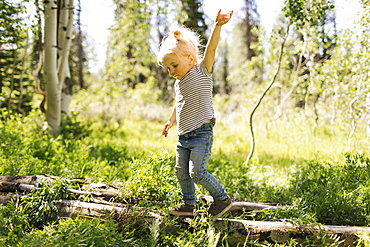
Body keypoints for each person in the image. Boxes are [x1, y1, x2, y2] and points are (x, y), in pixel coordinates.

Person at [157, 10, 233, 218]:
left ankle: (222, 199)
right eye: (168, 68)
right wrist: (170, 120)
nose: (171, 71)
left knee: (197, 173)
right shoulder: (178, 82)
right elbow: (179, 102)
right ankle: (189, 205)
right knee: (181, 172)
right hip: (183, 136)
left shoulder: (202, 71)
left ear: (191, 59)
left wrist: (217, 26)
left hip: (201, 132)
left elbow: (211, 48)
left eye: (174, 65)